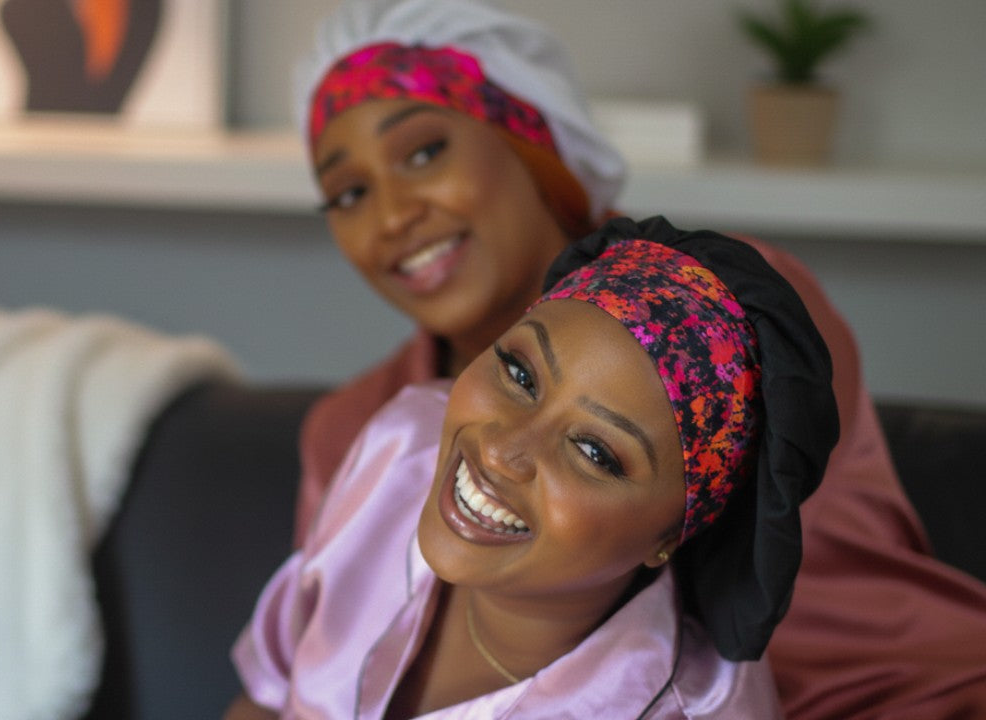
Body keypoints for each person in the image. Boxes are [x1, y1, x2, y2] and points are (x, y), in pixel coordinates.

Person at [288, 1, 986, 717]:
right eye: (348, 193)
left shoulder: (740, 322)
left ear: (531, 135)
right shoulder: (363, 432)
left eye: (425, 152)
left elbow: (802, 601)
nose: (393, 215)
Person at [228, 218, 838, 719]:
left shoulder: (690, 708)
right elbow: (266, 698)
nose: (501, 452)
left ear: (670, 535)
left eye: (595, 452)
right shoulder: (400, 450)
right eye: (521, 374)